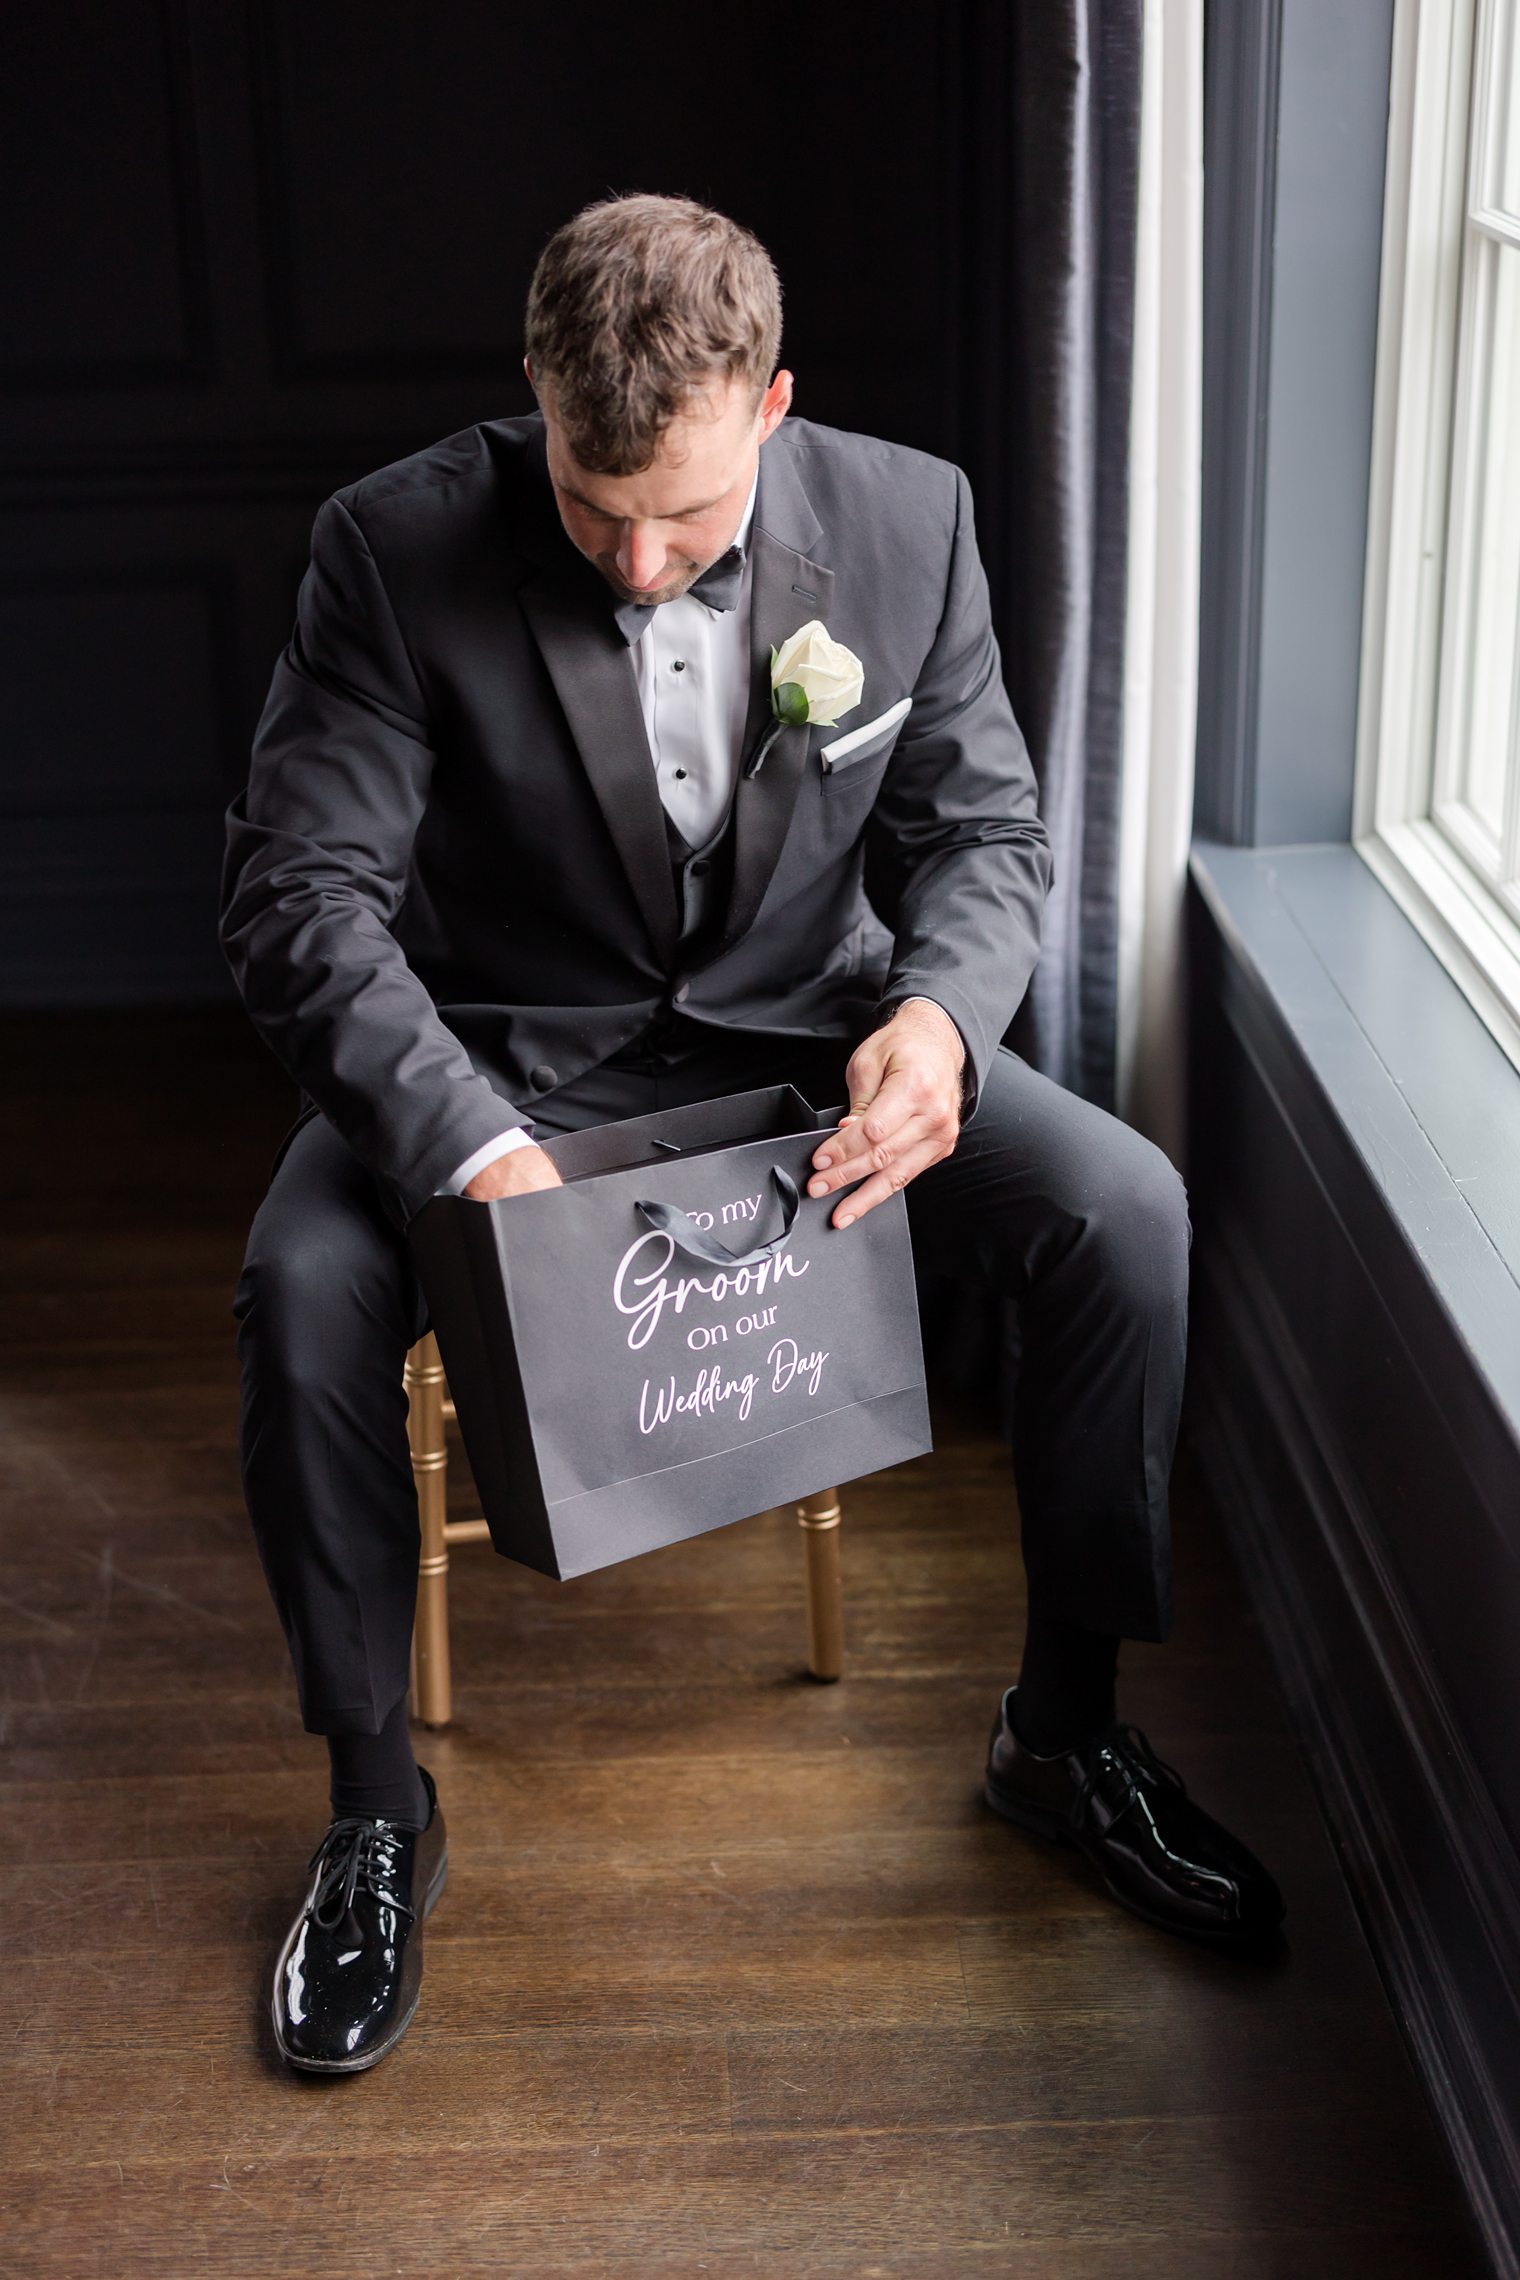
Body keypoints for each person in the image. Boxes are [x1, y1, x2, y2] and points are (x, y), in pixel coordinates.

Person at [221, 192, 1284, 2076]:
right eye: (589, 500)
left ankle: (1068, 1731)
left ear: (774, 405)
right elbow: (304, 899)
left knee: (1126, 1211)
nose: (638, 566)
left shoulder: (909, 518)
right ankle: (375, 1809)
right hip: (505, 1060)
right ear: (534, 406)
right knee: (301, 1287)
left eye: (687, 518)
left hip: (813, 1046)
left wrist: (940, 1024)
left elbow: (981, 837)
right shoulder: (388, 550)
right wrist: (469, 1145)